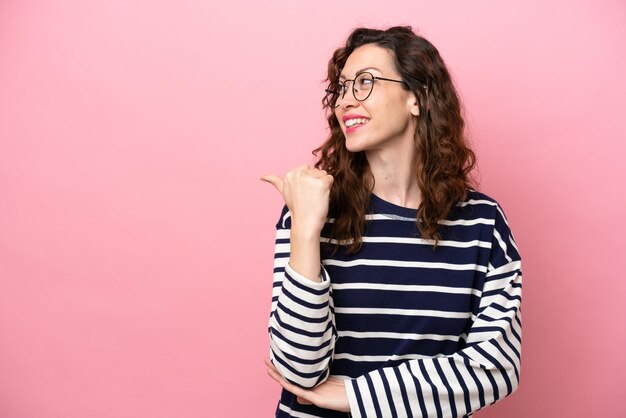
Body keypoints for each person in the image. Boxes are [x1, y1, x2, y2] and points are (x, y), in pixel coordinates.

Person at [260, 25, 522, 418]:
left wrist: (356, 396)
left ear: (416, 97)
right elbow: (297, 368)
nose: (345, 101)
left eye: (364, 82)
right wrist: (306, 230)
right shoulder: (312, 208)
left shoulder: (482, 224)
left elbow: (495, 368)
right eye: (341, 88)